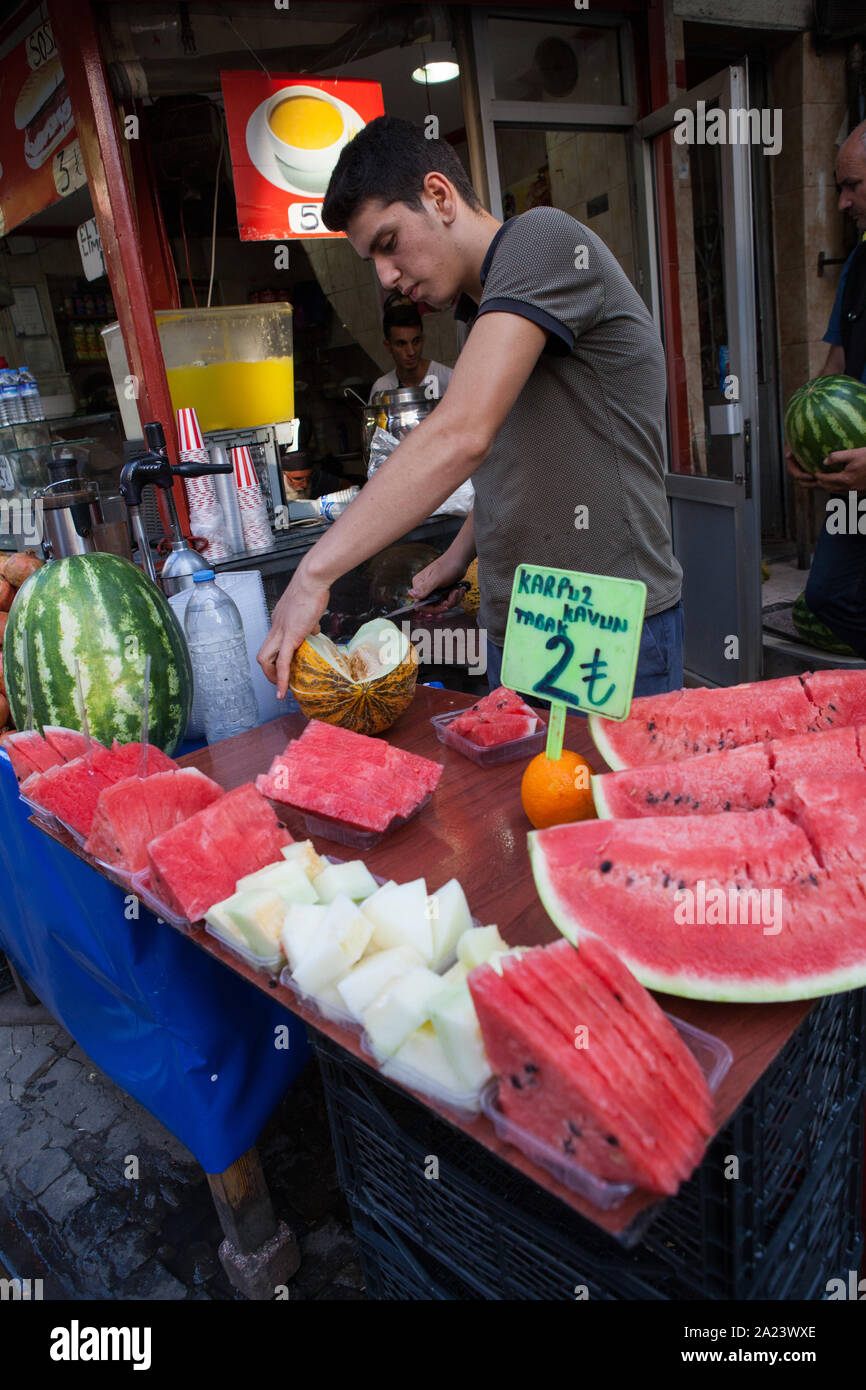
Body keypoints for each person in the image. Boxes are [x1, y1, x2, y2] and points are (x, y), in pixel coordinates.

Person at [258, 116, 683, 701]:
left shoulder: (544, 241)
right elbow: (519, 461)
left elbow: (462, 435)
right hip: (518, 630)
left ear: (439, 195)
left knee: (592, 792)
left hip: (601, 629)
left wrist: (314, 571)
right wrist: (457, 558)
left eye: (388, 243)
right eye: (371, 262)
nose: (386, 276)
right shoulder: (477, 310)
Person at [786, 119, 866, 656]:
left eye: (852, 186)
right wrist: (798, 427)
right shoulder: (858, 265)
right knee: (829, 595)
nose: (842, 203)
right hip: (855, 489)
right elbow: (836, 362)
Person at [368, 293, 452, 402]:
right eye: (401, 344)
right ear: (388, 346)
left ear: (423, 339)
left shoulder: (446, 378)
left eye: (416, 342)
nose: (411, 352)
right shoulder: (382, 388)